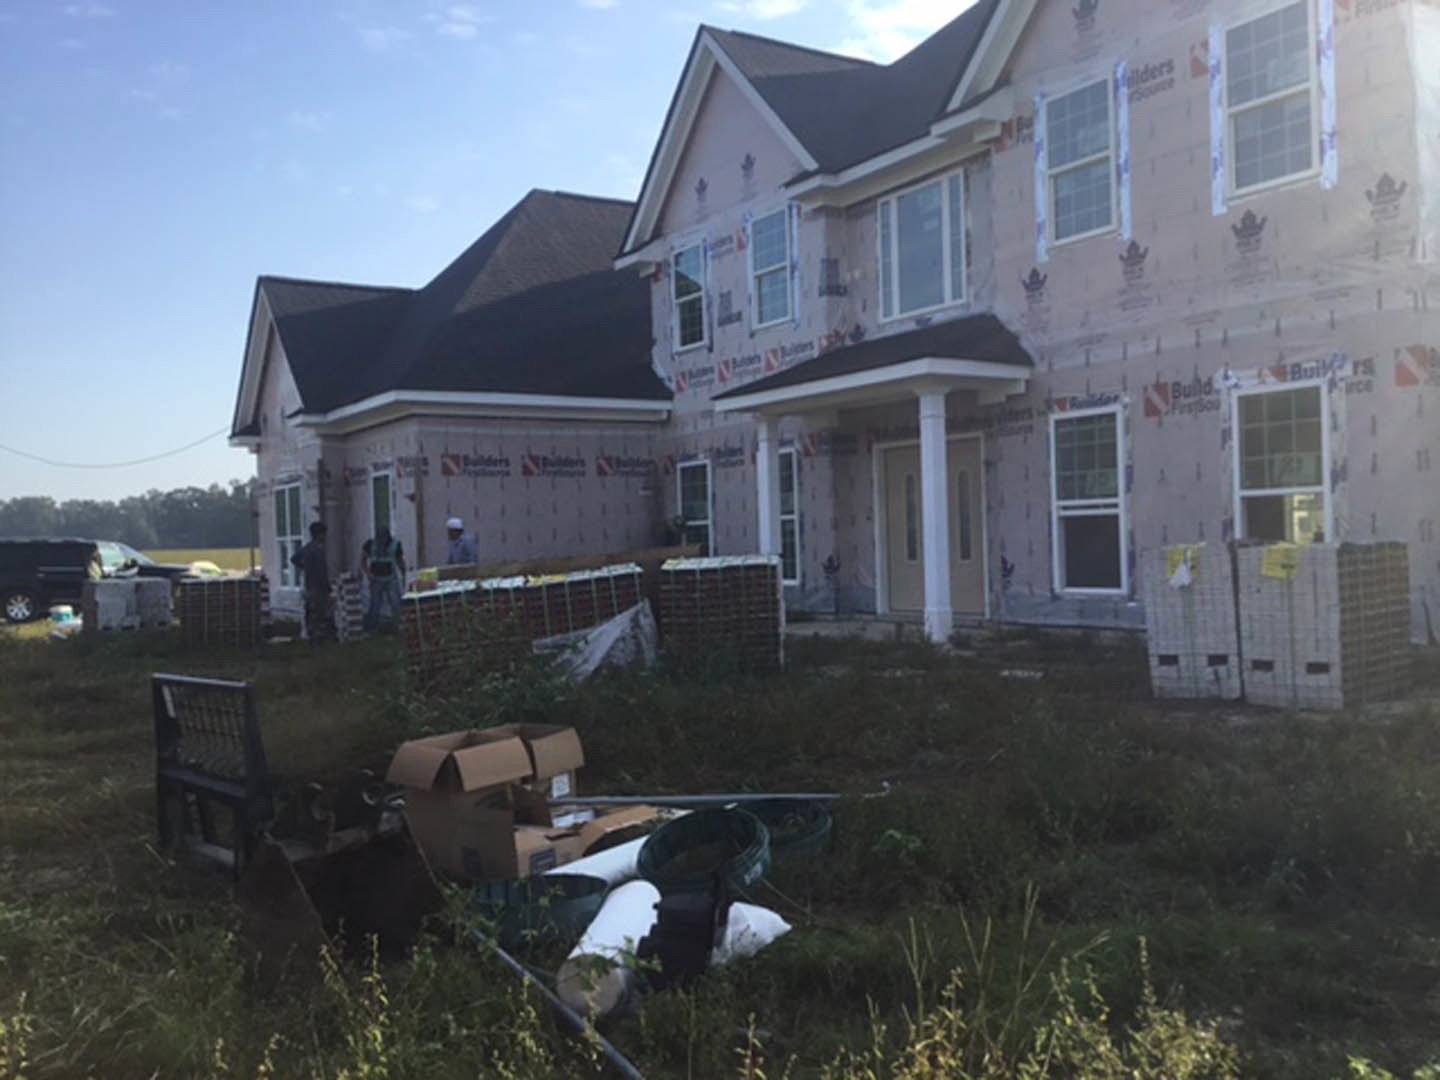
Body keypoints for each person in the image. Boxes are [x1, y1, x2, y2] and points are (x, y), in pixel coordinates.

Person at [291, 521, 333, 642]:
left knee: (310, 610)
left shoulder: (307, 548)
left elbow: (293, 559)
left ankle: (311, 634)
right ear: (319, 534)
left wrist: (303, 566)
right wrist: (328, 587)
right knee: (319, 612)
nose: (325, 537)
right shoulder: (318, 550)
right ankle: (317, 637)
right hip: (318, 587)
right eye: (324, 534)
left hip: (309, 584)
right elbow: (322, 572)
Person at [361, 525, 406, 631]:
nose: (381, 541)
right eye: (379, 538)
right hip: (375, 579)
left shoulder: (395, 545)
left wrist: (404, 573)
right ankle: (372, 627)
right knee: (375, 604)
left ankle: (399, 625)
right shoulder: (370, 544)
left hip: (391, 579)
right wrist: (367, 574)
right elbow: (362, 559)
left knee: (395, 602)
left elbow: (400, 561)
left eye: (383, 538)